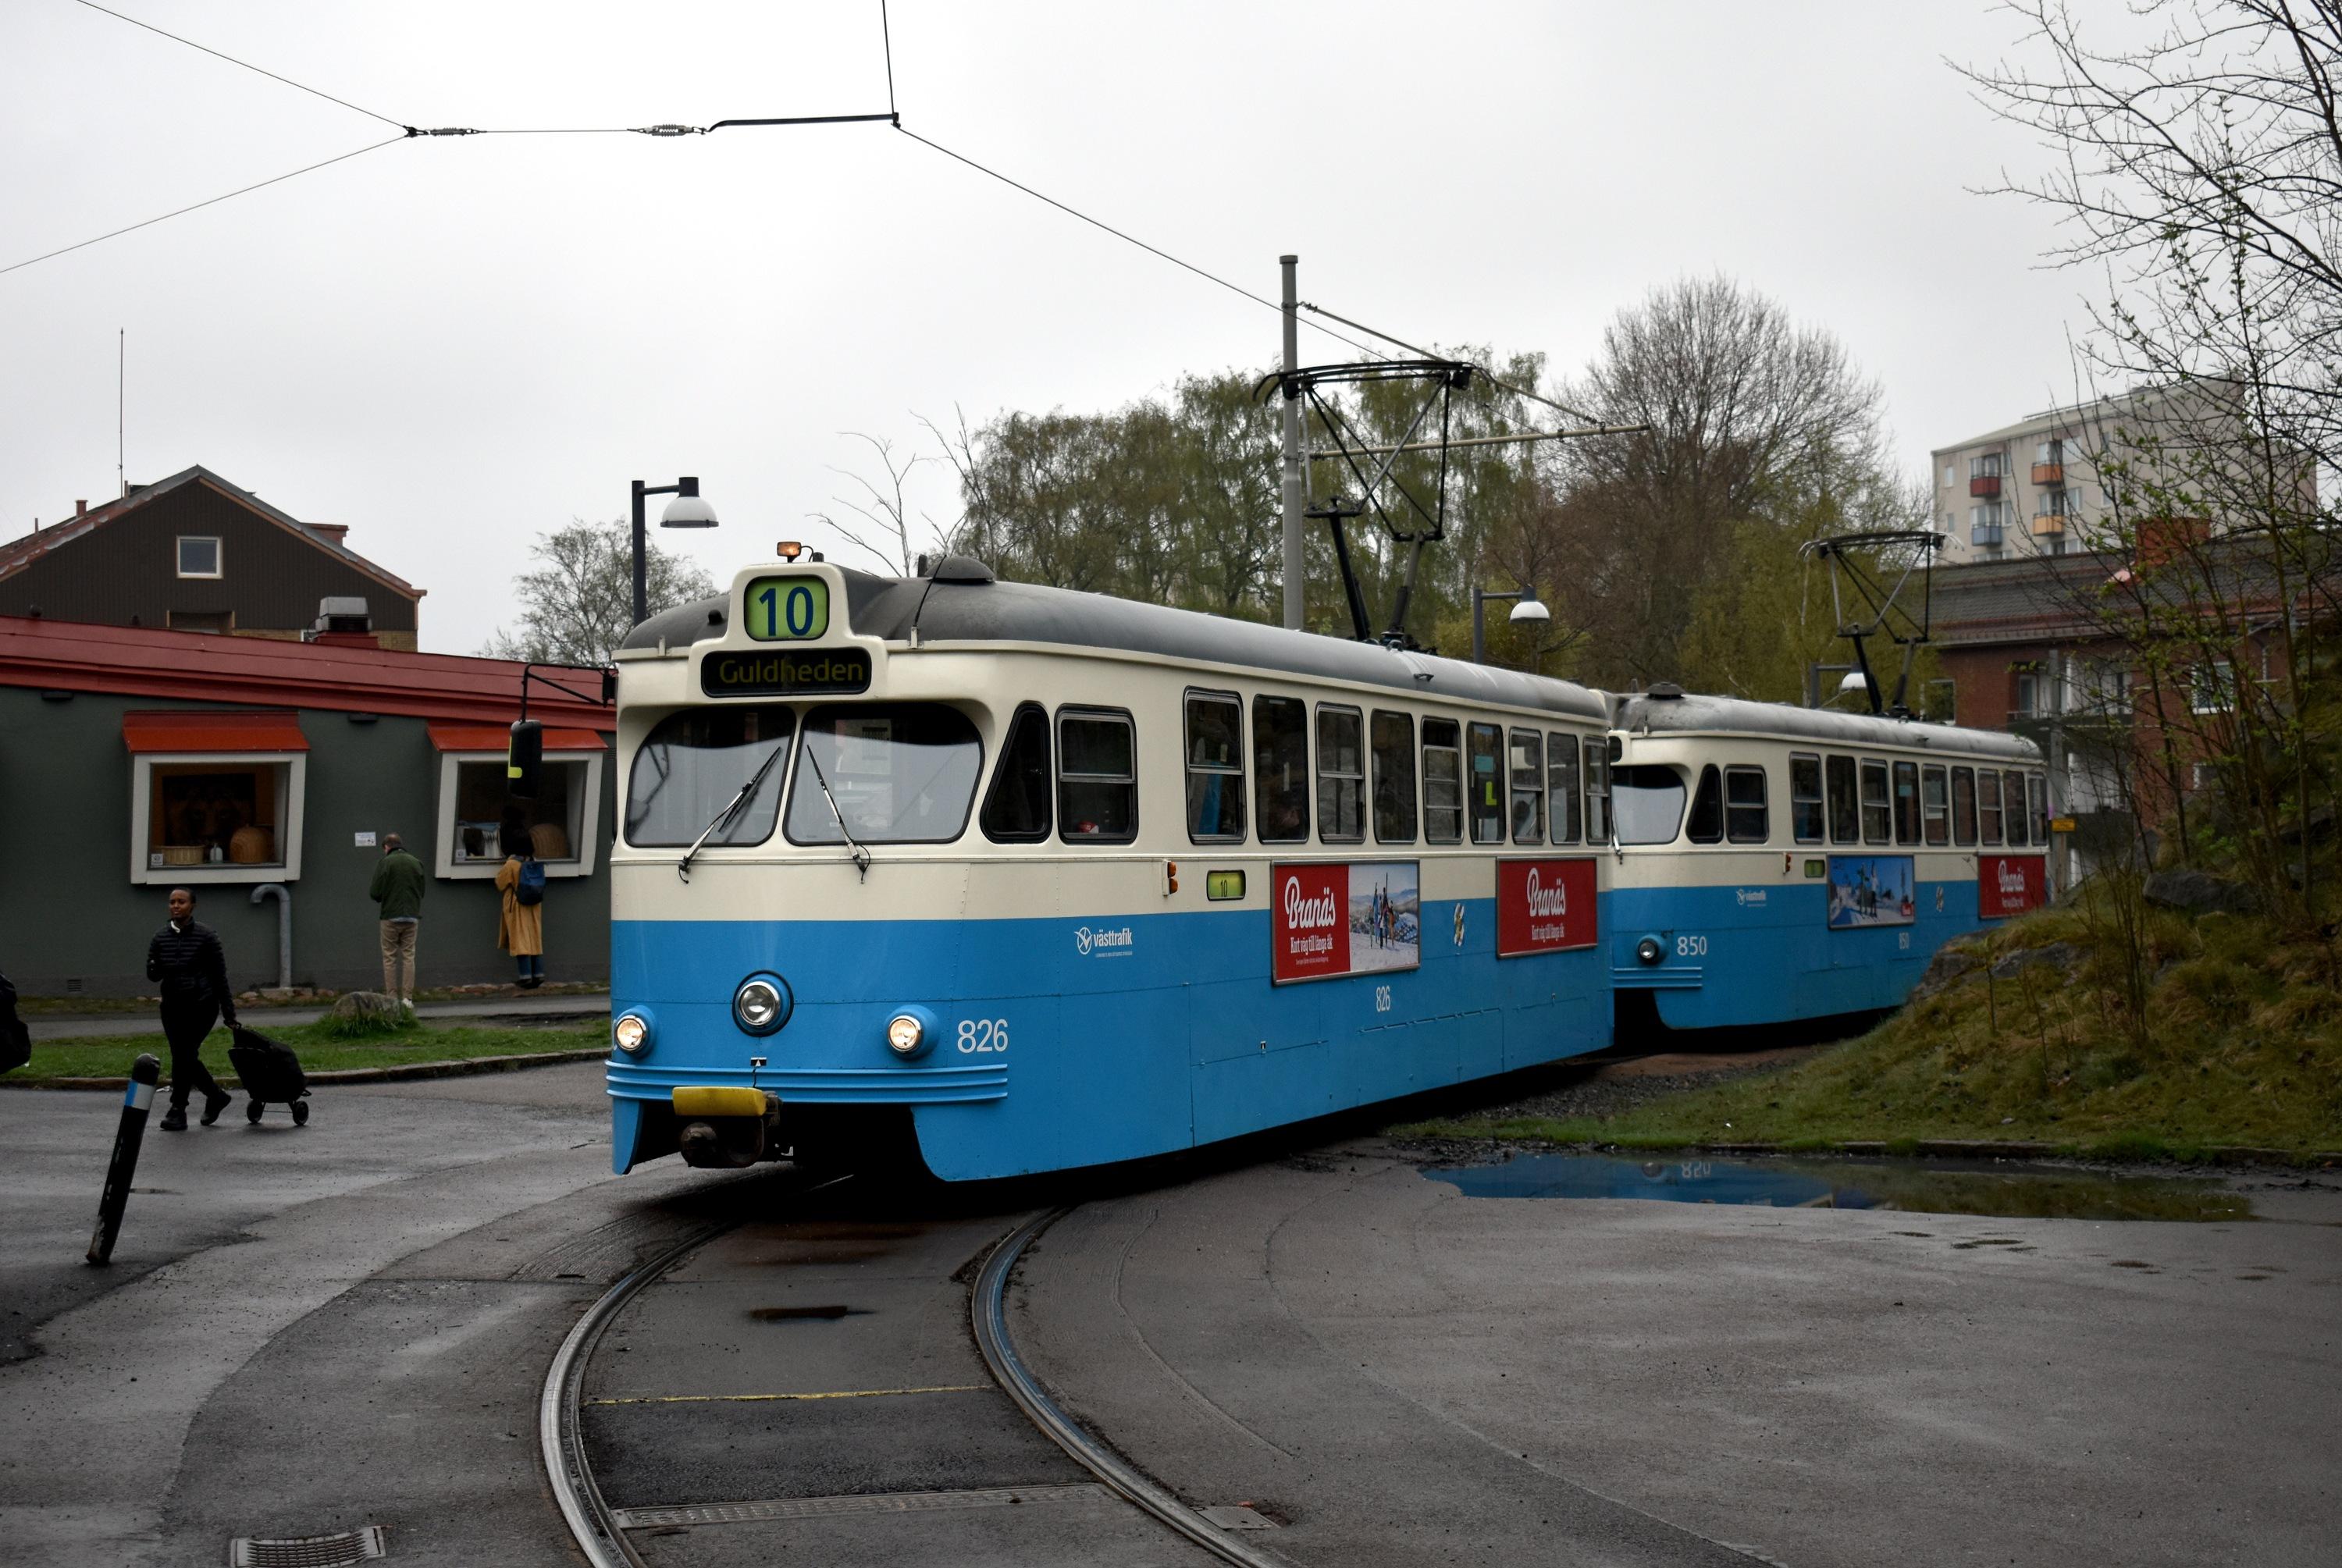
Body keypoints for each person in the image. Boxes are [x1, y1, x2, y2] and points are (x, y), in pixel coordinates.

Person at [145, 887, 237, 1130]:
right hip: (172, 1006)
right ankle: (216, 1096)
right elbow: (153, 975)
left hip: (202, 1005)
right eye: (172, 902)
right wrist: (154, 967)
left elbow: (220, 976)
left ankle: (178, 1109)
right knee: (183, 1055)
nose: (176, 906)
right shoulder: (160, 937)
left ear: (192, 906)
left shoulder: (207, 937)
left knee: (184, 1054)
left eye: (181, 902)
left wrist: (229, 1013)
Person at [368, 831, 426, 1007]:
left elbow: (375, 892)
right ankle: (407, 998)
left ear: (386, 847)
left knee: (390, 957)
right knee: (409, 956)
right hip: (412, 916)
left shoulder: (385, 862)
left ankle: (392, 998)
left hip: (390, 916)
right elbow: (421, 891)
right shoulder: (416, 862)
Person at [494, 827, 545, 988]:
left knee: (520, 940)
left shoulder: (512, 864)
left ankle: (525, 977)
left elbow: (500, 883)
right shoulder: (533, 861)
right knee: (534, 938)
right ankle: (538, 974)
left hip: (517, 904)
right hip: (535, 904)